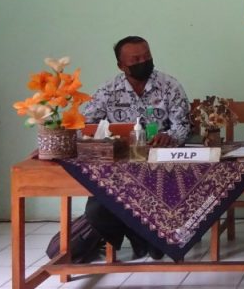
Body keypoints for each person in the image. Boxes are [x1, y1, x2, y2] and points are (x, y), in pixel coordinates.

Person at [82, 35, 191, 260]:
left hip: (160, 165)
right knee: (97, 209)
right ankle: (135, 234)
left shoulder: (169, 86)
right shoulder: (109, 90)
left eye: (147, 56)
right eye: (135, 59)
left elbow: (183, 125)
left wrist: (168, 136)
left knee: (166, 211)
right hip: (120, 166)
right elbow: (86, 125)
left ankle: (153, 237)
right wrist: (106, 139)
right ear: (121, 65)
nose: (143, 62)